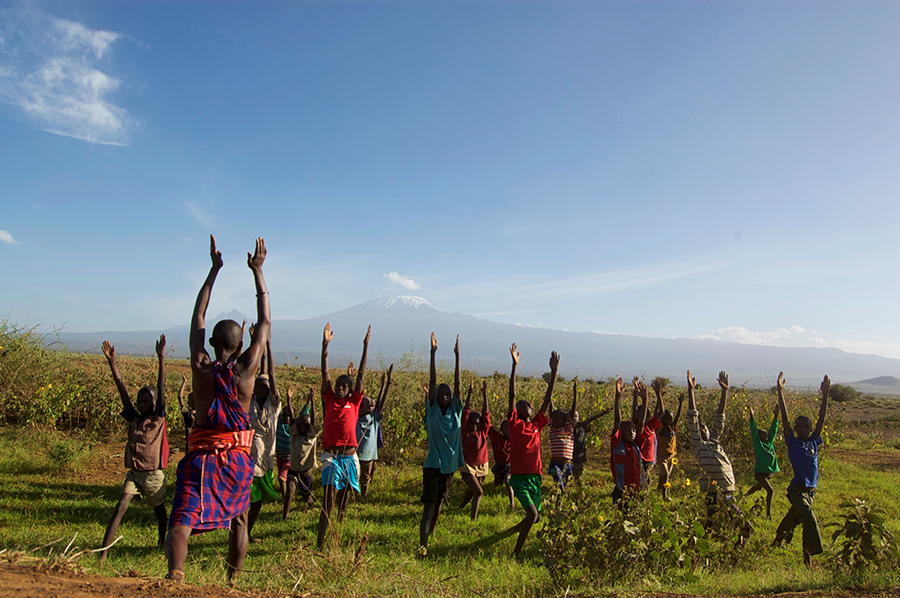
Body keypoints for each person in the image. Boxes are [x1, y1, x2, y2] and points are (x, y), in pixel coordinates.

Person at [166, 236, 270, 584]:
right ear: (242, 344)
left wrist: (214, 271)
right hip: (238, 460)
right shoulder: (246, 370)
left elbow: (197, 316)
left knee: (182, 516)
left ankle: (175, 575)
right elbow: (265, 324)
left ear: (212, 342)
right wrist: (258, 273)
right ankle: (231, 583)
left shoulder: (200, 367)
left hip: (200, 456)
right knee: (239, 520)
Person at [98, 335, 169, 560]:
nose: (141, 404)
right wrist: (112, 363)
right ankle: (103, 552)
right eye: (139, 401)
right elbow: (121, 390)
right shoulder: (134, 419)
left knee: (160, 513)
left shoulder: (158, 419)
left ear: (155, 403)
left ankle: (162, 542)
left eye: (146, 401)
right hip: (134, 474)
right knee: (121, 506)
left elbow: (161, 385)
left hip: (154, 476)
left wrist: (161, 357)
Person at [316, 323, 370, 550]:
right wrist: (325, 345)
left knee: (345, 496)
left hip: (350, 457)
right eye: (337, 385)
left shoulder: (354, 402)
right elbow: (325, 373)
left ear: (350, 390)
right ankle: (319, 543)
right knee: (328, 500)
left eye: (344, 386)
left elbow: (360, 376)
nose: (339, 388)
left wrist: (365, 346)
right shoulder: (328, 399)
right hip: (330, 456)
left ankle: (337, 530)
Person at [507, 344, 560, 558]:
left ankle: (513, 533)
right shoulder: (514, 424)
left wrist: (554, 372)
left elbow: (547, 400)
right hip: (519, 479)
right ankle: (516, 553)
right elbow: (512, 395)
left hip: (535, 479)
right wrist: (514, 366)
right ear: (517, 411)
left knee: (535, 517)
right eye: (522, 404)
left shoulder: (537, 425)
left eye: (528, 404)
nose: (526, 405)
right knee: (532, 514)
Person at [773, 372, 829, 566]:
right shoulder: (793, 443)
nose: (804, 430)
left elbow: (821, 418)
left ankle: (777, 541)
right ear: (796, 429)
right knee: (809, 519)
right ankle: (808, 556)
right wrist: (780, 391)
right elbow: (786, 418)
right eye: (801, 427)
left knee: (793, 518)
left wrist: (825, 395)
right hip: (797, 490)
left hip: (811, 492)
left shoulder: (814, 441)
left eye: (807, 427)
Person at [419, 333, 463, 557]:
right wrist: (433, 353)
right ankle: (423, 546)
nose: (444, 396)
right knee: (429, 506)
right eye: (441, 394)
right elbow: (434, 381)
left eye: (448, 394)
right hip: (432, 466)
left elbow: (457, 383)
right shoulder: (433, 410)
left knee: (438, 505)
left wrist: (457, 356)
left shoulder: (456, 410)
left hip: (449, 468)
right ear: (435, 397)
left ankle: (431, 535)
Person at [686, 370, 739, 523]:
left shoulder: (714, 441)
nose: (702, 429)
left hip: (727, 481)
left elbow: (720, 417)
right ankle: (713, 530)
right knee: (712, 508)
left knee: (729, 505)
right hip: (713, 485)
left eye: (705, 428)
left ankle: (743, 525)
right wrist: (691, 391)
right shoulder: (698, 445)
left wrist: (725, 391)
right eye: (700, 428)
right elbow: (693, 416)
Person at [247, 339, 282, 543]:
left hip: (267, 456)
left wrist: (268, 347)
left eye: (265, 386)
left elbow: (271, 375)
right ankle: (242, 532)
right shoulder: (249, 402)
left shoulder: (274, 404)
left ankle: (247, 532)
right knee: (248, 496)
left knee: (257, 500)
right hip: (250, 457)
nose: (261, 388)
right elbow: (252, 373)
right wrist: (255, 343)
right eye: (258, 385)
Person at [356, 364, 393, 499]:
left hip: (368, 456)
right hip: (355, 454)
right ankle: (355, 495)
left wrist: (387, 383)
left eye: (372, 405)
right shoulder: (355, 417)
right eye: (368, 405)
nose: (372, 407)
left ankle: (363, 497)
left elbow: (381, 402)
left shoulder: (374, 418)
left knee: (365, 478)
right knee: (355, 476)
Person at [283, 387, 320, 519]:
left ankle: (310, 504)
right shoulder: (294, 433)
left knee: (307, 497)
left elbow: (314, 419)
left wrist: (313, 403)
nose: (303, 428)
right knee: (290, 491)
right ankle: (284, 517)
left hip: (306, 473)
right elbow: (293, 417)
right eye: (301, 425)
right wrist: (289, 399)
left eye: (306, 426)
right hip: (293, 470)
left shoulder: (311, 436)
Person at [610, 377, 648, 504]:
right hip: (622, 490)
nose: (632, 433)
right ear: (621, 432)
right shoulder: (617, 444)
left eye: (633, 431)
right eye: (628, 431)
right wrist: (617, 397)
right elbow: (617, 421)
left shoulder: (636, 444)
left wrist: (645, 399)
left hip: (637, 490)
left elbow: (641, 422)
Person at [458, 379, 491, 521]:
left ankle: (460, 508)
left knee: (472, 490)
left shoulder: (483, 432)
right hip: (467, 467)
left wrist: (485, 394)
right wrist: (470, 392)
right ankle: (473, 519)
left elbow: (486, 414)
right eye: (472, 424)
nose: (474, 426)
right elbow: (465, 412)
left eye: (477, 424)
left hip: (482, 465)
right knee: (479, 492)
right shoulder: (464, 432)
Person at [747, 402, 780, 518]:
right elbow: (754, 431)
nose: (764, 435)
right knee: (770, 491)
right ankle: (768, 514)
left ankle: (744, 496)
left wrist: (776, 416)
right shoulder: (758, 446)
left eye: (764, 434)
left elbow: (773, 430)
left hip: (767, 474)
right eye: (761, 435)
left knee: (758, 487)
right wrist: (752, 417)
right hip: (760, 474)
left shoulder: (769, 444)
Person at [547, 380, 578, 490]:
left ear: (565, 420)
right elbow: (551, 410)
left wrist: (575, 394)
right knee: (560, 484)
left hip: (567, 464)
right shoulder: (553, 429)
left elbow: (573, 411)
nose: (554, 421)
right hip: (555, 463)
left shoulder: (569, 428)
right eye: (553, 419)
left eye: (557, 419)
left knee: (563, 486)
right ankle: (559, 499)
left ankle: (558, 505)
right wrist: (550, 396)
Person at [633, 376, 662, 488]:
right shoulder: (637, 427)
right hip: (641, 459)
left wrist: (659, 395)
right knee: (642, 482)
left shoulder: (650, 426)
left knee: (644, 481)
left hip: (650, 459)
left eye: (648, 415)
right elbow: (635, 412)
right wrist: (641, 397)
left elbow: (660, 412)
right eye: (645, 414)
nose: (647, 416)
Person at [655, 384, 684, 501]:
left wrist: (680, 404)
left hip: (671, 454)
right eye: (666, 419)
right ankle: (665, 496)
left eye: (670, 419)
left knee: (665, 474)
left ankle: (658, 489)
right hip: (661, 455)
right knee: (666, 474)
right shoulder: (660, 429)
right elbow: (658, 412)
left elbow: (677, 417)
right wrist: (659, 398)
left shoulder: (672, 428)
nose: (668, 421)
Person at [487, 406, 514, 509]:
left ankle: (512, 504)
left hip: (509, 466)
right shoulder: (496, 437)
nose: (508, 430)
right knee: (497, 484)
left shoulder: (515, 439)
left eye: (510, 428)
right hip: (499, 466)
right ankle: (494, 497)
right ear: (501, 429)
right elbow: (488, 425)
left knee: (508, 482)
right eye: (506, 428)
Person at [177, 372, 196, 446]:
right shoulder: (188, 414)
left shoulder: (202, 413)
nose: (194, 402)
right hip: (190, 444)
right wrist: (184, 383)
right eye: (192, 400)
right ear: (188, 402)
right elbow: (180, 397)